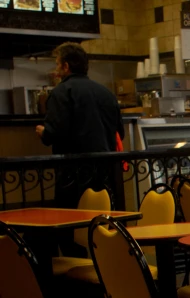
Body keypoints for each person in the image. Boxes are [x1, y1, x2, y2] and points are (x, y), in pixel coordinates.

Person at [35, 42, 124, 208]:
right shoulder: (106, 93)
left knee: (75, 221)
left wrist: (43, 132)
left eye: (57, 64)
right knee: (104, 219)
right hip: (107, 171)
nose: (56, 69)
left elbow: (55, 133)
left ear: (66, 66)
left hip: (73, 175)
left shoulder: (61, 93)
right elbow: (119, 132)